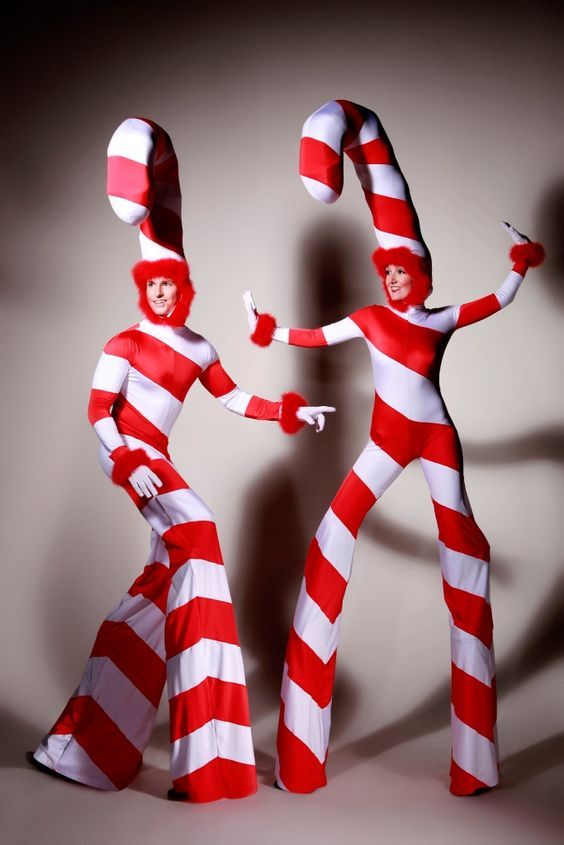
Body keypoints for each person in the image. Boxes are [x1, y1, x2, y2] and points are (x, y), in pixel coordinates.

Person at [244, 99, 545, 796]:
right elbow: (317, 337)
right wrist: (269, 331)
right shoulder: (370, 319)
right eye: (390, 272)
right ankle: (299, 754)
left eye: (407, 273)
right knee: (331, 534)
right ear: (383, 274)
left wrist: (519, 264)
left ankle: (476, 762)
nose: (396, 280)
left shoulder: (437, 320)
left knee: (464, 551)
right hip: (384, 440)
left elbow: (492, 303)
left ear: (422, 275)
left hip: (436, 439)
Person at [27, 118, 334, 803]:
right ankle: (206, 754)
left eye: (173, 285)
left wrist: (290, 409)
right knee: (201, 532)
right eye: (154, 284)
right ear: (143, 287)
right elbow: (97, 413)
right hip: (136, 461)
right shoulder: (123, 342)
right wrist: (122, 462)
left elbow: (233, 399)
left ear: (183, 288)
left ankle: (85, 745)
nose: (163, 293)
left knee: (160, 588)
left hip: (158, 461)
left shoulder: (197, 348)